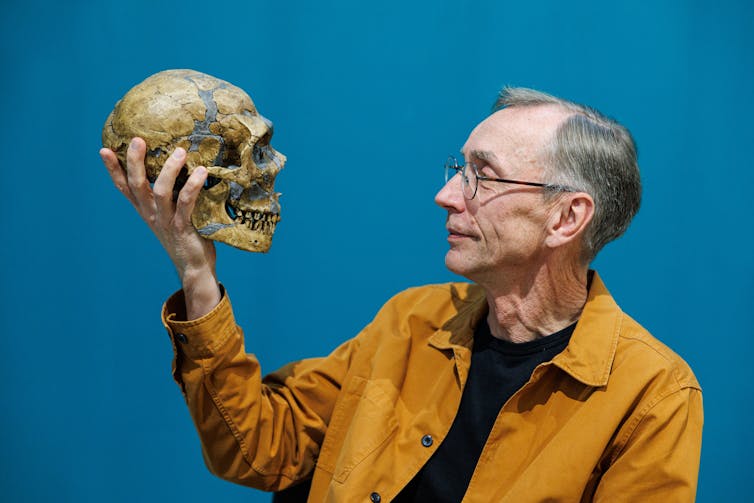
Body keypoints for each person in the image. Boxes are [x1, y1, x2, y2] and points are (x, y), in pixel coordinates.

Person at [100, 87, 703, 502]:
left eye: (481, 176)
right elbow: (258, 450)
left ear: (566, 219)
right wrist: (198, 277)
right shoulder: (410, 320)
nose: (447, 196)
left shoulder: (652, 396)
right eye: (456, 168)